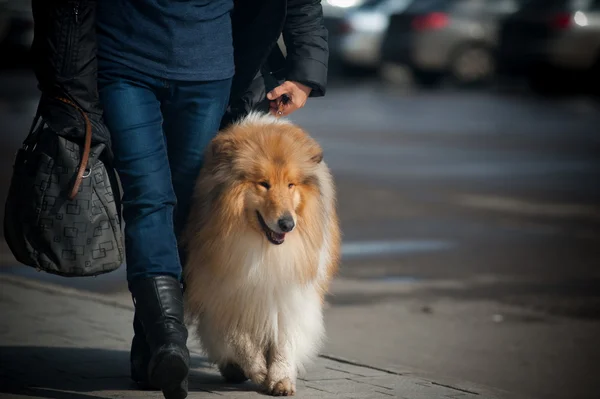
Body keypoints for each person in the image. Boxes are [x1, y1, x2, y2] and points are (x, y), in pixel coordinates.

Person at [95, 1, 328, 398]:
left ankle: (153, 343)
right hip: (124, 60)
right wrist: (65, 81)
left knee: (187, 208)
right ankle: (167, 338)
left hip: (210, 69)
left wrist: (304, 73)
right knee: (148, 198)